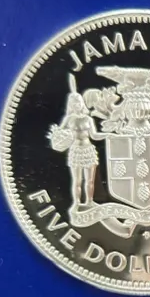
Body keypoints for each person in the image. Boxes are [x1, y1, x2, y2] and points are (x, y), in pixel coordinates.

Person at [49, 76, 102, 210]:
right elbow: (60, 132)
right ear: (71, 105)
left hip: (88, 150)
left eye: (78, 103)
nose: (76, 105)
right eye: (74, 104)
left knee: (90, 180)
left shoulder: (88, 119)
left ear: (82, 103)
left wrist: (108, 135)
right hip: (76, 150)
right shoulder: (69, 119)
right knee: (77, 180)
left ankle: (89, 201)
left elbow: (94, 135)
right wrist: (57, 136)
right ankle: (77, 203)